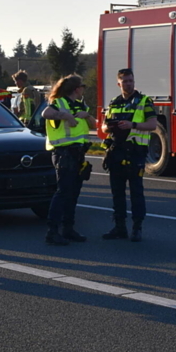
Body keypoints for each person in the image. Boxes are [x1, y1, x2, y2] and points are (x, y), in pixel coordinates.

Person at [101, 68, 157, 242]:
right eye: (125, 81)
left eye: (131, 80)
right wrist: (109, 127)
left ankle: (137, 228)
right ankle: (119, 227)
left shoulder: (144, 101)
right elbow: (103, 127)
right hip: (116, 152)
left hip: (135, 153)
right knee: (117, 192)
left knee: (136, 192)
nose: (128, 84)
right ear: (119, 83)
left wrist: (132, 124)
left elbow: (152, 124)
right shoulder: (114, 102)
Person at [41, 74, 95, 245]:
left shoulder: (81, 105)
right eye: (82, 86)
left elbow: (94, 125)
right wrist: (65, 116)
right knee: (63, 192)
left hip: (78, 154)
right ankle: (52, 231)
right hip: (63, 153)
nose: (83, 90)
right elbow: (46, 113)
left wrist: (86, 115)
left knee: (73, 193)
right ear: (76, 88)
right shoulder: (59, 103)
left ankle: (68, 229)